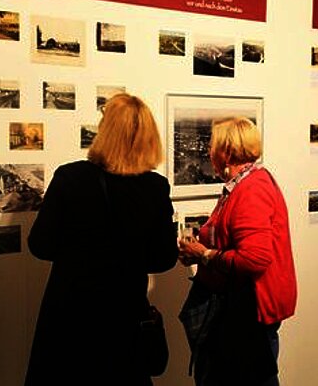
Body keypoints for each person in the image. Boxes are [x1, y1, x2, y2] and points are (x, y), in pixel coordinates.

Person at [24, 93, 179, 386]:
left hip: (70, 312)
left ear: (105, 132)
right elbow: (163, 259)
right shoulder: (155, 187)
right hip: (124, 313)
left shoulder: (70, 177)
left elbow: (40, 245)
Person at [178, 116, 297, 386]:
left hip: (248, 312)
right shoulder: (242, 185)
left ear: (227, 152)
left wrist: (204, 255)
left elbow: (254, 259)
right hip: (239, 308)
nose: (209, 151)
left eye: (213, 145)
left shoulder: (252, 189)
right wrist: (198, 250)